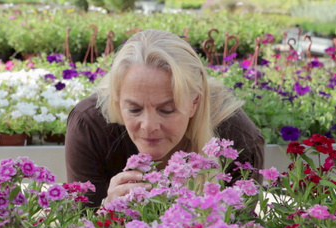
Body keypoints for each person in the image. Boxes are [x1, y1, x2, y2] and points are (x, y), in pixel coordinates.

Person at [65, 29, 265, 208]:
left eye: (167, 110)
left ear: (194, 103)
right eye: (134, 109)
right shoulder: (90, 126)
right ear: (117, 101)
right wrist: (106, 211)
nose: (149, 126)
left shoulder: (237, 137)